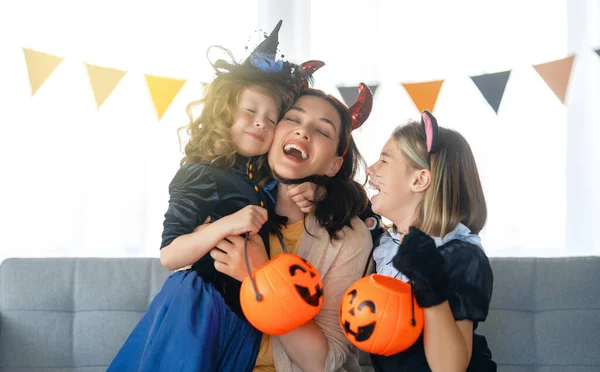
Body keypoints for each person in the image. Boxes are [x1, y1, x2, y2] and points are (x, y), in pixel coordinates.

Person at [108, 20, 321, 372]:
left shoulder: (265, 179)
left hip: (246, 318)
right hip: (199, 306)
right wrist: (226, 224)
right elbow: (170, 254)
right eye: (251, 112)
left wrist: (315, 188)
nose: (260, 124)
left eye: (271, 120)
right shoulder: (199, 173)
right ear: (226, 112)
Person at [205, 85, 376, 371]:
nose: (303, 132)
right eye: (293, 119)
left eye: (323, 131)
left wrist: (261, 276)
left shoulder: (349, 235)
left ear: (335, 165)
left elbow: (322, 361)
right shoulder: (225, 201)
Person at [364, 111, 496, 371]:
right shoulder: (383, 244)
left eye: (383, 161)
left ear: (420, 179)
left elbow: (450, 368)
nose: (370, 169)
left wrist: (428, 284)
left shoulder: (461, 255)